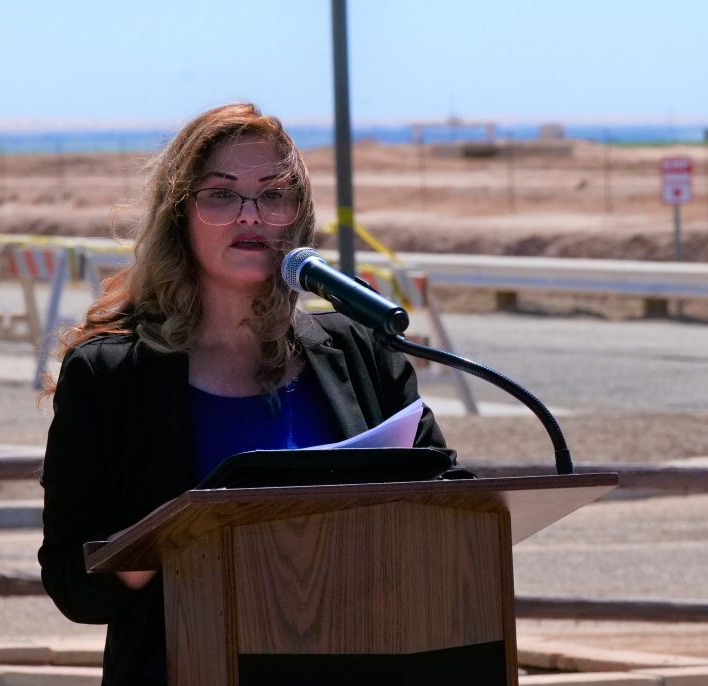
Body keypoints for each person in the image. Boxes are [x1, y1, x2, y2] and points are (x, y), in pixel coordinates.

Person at [38, 103, 449, 685]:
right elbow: (71, 583)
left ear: (298, 215)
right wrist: (172, 538)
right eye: (221, 194)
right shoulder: (110, 375)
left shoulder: (361, 349)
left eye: (274, 194)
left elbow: (451, 500)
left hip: (360, 660)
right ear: (179, 215)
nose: (251, 214)